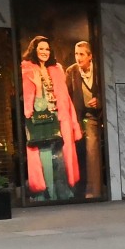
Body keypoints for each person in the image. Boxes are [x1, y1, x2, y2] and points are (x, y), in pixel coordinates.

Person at [21, 35, 80, 201]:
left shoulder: (56, 69)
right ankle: (49, 197)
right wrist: (39, 89)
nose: (45, 52)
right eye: (41, 49)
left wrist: (73, 124)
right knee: (45, 162)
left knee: (62, 163)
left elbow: (67, 101)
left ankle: (63, 195)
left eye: (47, 49)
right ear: (34, 50)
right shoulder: (27, 70)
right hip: (42, 123)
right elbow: (33, 108)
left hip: (61, 122)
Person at [65, 40, 103, 199]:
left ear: (90, 56)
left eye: (81, 54)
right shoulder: (71, 71)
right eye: (76, 54)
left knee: (92, 152)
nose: (78, 57)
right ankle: (81, 191)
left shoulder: (100, 70)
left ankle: (94, 191)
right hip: (79, 119)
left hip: (96, 117)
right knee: (81, 153)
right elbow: (66, 96)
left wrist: (99, 100)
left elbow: (106, 89)